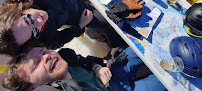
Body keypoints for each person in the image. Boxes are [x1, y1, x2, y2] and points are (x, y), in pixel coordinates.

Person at [0, 0, 126, 56]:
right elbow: (55, 41)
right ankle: (97, 34)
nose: (40, 21)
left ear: (15, 10)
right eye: (35, 30)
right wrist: (79, 26)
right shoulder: (34, 38)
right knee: (109, 22)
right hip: (75, 16)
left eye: (28, 19)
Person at [1, 44, 165, 91]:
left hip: (112, 74)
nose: (47, 56)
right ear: (32, 88)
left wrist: (96, 68)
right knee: (171, 80)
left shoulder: (65, 57)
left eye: (44, 51)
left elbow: (85, 60)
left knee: (144, 46)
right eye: (36, 63)